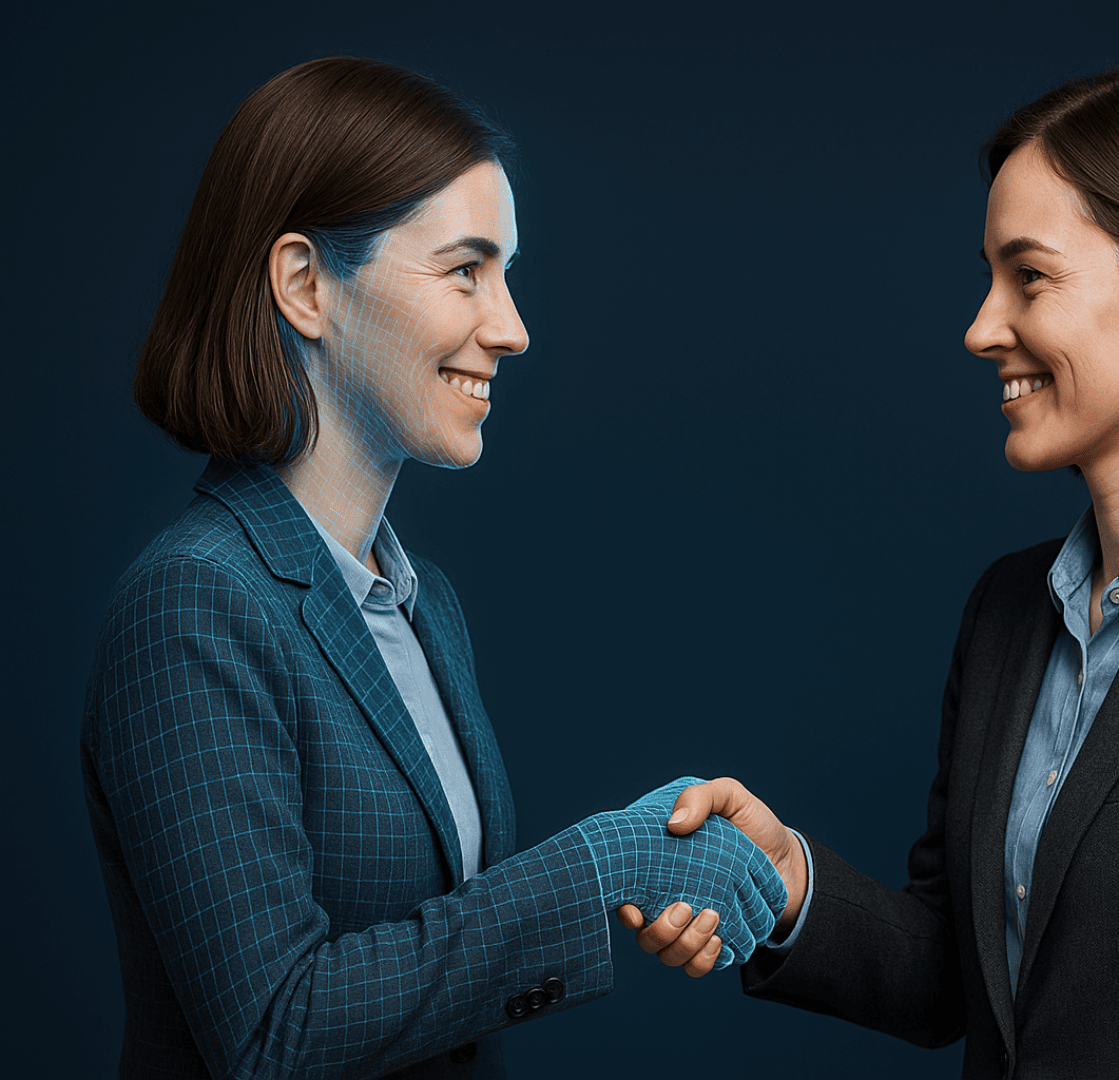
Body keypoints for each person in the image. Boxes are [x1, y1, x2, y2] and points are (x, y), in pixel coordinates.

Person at [621, 59, 1119, 1078]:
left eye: (1031, 276)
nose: (981, 327)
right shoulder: (1009, 613)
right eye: (990, 276)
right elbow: (956, 979)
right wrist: (786, 876)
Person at [80, 57, 782, 1079]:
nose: (512, 327)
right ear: (307, 285)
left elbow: (446, 960)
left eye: (507, 274)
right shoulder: (194, 603)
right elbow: (278, 1032)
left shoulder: (423, 607)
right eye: (466, 270)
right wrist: (593, 868)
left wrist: (646, 844)